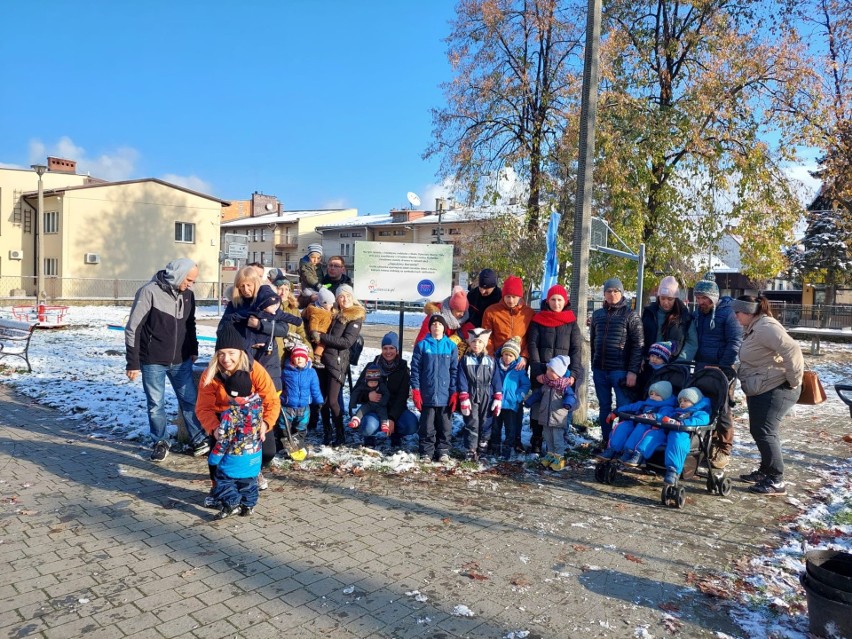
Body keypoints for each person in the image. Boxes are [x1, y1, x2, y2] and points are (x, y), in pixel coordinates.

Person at [125, 258, 209, 462]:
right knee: (156, 404)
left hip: (181, 360)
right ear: (178, 275)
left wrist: (193, 348)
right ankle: (160, 441)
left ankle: (198, 439)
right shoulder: (149, 292)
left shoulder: (188, 295)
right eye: (189, 279)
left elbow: (191, 324)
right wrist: (133, 362)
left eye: (193, 281)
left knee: (190, 400)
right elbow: (133, 328)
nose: (191, 284)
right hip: (152, 360)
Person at [196, 322, 281, 508]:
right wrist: (215, 428)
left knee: (268, 452)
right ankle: (218, 488)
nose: (226, 358)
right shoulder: (210, 375)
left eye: (231, 353)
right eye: (221, 354)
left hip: (252, 417)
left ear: (240, 352)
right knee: (216, 457)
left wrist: (265, 424)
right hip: (223, 419)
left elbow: (271, 400)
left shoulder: (255, 369)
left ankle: (251, 472)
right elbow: (203, 408)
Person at [732, 295, 803, 496]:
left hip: (775, 388)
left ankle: (776, 479)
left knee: (765, 431)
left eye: (737, 313)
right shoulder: (754, 327)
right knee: (759, 430)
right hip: (762, 387)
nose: (735, 317)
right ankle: (766, 471)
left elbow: (792, 349)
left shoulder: (766, 327)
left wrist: (793, 380)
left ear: (747, 312)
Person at [692, 275, 743, 469]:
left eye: (703, 298)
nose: (700, 302)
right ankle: (707, 446)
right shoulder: (699, 314)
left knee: (722, 410)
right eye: (697, 298)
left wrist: (724, 367)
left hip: (723, 369)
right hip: (701, 366)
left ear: (713, 298)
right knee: (704, 406)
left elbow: (735, 342)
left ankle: (724, 449)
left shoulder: (728, 314)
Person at [527, 284, 582, 454]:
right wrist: (537, 372)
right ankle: (537, 438)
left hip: (562, 376)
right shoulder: (538, 320)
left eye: (559, 300)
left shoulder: (571, 322)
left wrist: (573, 374)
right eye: (553, 299)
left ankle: (557, 444)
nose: (556, 303)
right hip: (543, 372)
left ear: (564, 301)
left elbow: (576, 349)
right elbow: (533, 345)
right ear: (547, 300)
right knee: (539, 407)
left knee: (558, 407)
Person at [590, 277, 644, 445]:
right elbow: (593, 341)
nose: (612, 294)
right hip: (600, 369)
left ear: (621, 293)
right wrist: (594, 362)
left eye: (615, 291)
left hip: (621, 370)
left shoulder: (631, 315)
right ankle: (606, 440)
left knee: (624, 408)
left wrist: (632, 371)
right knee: (604, 407)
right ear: (604, 293)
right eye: (608, 291)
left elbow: (639, 345)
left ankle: (621, 442)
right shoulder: (597, 315)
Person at [311, 283, 365, 447]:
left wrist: (321, 337)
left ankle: (340, 434)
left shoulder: (355, 317)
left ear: (352, 297)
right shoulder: (332, 314)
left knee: (333, 401)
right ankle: (328, 433)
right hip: (322, 362)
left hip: (337, 363)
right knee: (323, 401)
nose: (345, 299)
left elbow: (346, 342)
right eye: (341, 296)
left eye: (348, 295)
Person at [207, 370, 265, 519]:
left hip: (235, 457)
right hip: (255, 456)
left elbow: (224, 439)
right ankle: (248, 505)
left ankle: (232, 503)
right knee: (249, 483)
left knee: (223, 480)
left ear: (233, 394)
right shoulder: (258, 407)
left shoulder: (230, 414)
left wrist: (214, 457)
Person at [350, 332, 419, 448]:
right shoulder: (371, 366)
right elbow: (356, 391)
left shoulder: (403, 369)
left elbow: (402, 397)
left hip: (395, 409)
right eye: (385, 348)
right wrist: (368, 396)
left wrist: (392, 418)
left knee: (411, 424)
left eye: (391, 348)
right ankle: (369, 437)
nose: (388, 352)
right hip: (373, 410)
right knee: (368, 426)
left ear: (396, 350)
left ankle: (396, 434)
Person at [633, 387, 711, 485]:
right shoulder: (675, 411)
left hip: (686, 438)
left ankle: (673, 470)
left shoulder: (701, 413)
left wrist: (682, 423)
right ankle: (639, 455)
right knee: (653, 433)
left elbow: (700, 421)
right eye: (680, 401)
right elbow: (664, 416)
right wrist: (655, 416)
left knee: (676, 435)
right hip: (666, 435)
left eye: (686, 401)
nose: (682, 403)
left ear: (695, 402)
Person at [411, 314, 459, 463]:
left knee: (445, 426)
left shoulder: (451, 346)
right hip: (427, 394)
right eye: (433, 324)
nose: (436, 326)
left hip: (445, 396)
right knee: (427, 426)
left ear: (444, 327)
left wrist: (454, 392)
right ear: (429, 327)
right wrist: (416, 391)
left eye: (439, 324)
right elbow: (415, 370)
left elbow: (454, 371)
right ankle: (426, 451)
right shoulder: (422, 345)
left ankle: (443, 450)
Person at [598, 379, 677, 463]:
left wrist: (654, 416)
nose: (652, 396)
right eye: (651, 394)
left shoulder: (667, 407)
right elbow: (631, 406)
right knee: (623, 426)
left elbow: (664, 415)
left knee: (641, 427)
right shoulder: (645, 404)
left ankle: (630, 452)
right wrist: (616, 411)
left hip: (653, 428)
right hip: (638, 423)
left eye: (657, 395)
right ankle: (612, 449)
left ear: (665, 397)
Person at [639, 276, 696, 388]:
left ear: (676, 299)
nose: (666, 302)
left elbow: (692, 342)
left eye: (670, 299)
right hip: (649, 367)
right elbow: (640, 337)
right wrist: (641, 357)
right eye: (663, 298)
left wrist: (680, 362)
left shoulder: (685, 317)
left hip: (673, 369)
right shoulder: (649, 313)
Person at [457, 328, 503, 461]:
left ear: (484, 344)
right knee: (472, 420)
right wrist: (464, 396)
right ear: (470, 344)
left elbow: (496, 379)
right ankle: (471, 448)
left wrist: (498, 396)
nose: (476, 345)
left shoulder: (491, 361)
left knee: (486, 420)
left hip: (487, 395)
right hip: (471, 394)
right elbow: (462, 378)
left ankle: (483, 446)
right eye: (474, 342)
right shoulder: (465, 360)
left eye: (479, 342)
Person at [524, 355, 576, 470]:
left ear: (559, 373)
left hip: (557, 418)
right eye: (548, 369)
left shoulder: (564, 387)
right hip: (545, 418)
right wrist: (529, 401)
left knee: (557, 439)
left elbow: (571, 396)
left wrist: (568, 403)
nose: (548, 372)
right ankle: (550, 455)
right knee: (548, 437)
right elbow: (538, 394)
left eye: (551, 371)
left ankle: (559, 458)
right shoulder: (546, 384)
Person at [481, 275, 536, 367]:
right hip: (497, 358)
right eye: (508, 296)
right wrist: (490, 355)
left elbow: (531, 338)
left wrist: (525, 356)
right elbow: (487, 336)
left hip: (519, 360)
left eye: (514, 297)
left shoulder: (528, 313)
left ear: (519, 297)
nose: (510, 300)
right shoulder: (491, 311)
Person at [491, 336, 531, 459]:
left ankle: (509, 448)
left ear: (515, 357)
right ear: (502, 354)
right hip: (497, 403)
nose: (508, 357)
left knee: (510, 428)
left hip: (511, 404)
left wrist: (518, 397)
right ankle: (495, 447)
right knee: (495, 427)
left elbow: (525, 384)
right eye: (506, 354)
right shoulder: (496, 366)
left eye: (511, 355)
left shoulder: (518, 369)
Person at [279, 344, 324, 454]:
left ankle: (298, 444)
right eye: (296, 356)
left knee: (301, 426)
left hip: (304, 407)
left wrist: (319, 401)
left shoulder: (311, 372)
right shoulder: (285, 372)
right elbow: (280, 386)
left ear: (306, 358)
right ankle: (284, 445)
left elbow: (315, 388)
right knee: (284, 426)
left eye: (302, 356)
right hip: (287, 406)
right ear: (292, 358)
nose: (299, 359)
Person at [348, 363, 390, 433]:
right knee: (362, 410)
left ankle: (384, 423)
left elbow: (386, 393)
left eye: (375, 382)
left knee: (383, 412)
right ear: (367, 380)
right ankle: (356, 420)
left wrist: (383, 402)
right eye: (371, 382)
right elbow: (355, 392)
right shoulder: (363, 385)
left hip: (379, 405)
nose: (373, 384)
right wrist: (352, 404)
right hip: (368, 404)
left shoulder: (381, 386)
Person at [302, 288, 335, 366]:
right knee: (321, 344)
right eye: (330, 304)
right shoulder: (317, 312)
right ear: (323, 303)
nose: (332, 305)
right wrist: (314, 332)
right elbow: (313, 322)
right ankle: (317, 357)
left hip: (324, 331)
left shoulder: (327, 309)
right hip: (319, 332)